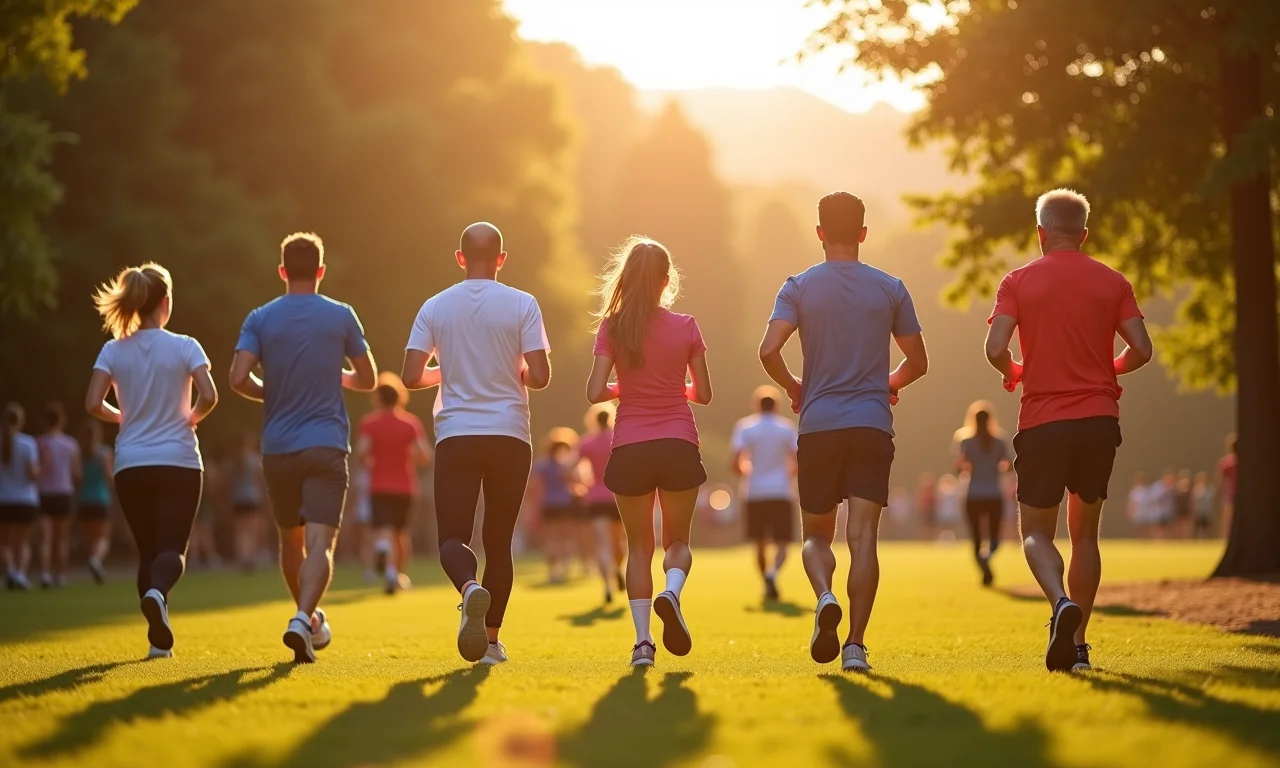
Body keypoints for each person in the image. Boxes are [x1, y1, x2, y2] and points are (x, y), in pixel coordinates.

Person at [758, 192, 928, 673]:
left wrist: (795, 386)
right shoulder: (891, 287)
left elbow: (768, 350)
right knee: (863, 538)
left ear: (818, 234)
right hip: (872, 424)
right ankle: (855, 645)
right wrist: (887, 383)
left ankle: (825, 594)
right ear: (863, 233)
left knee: (815, 535)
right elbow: (918, 362)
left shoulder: (798, 287)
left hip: (819, 426)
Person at [984, 188, 1152, 673]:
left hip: (1042, 420)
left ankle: (1059, 602)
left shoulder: (1017, 281)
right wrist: (1107, 370)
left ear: (1040, 232)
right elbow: (1141, 348)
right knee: (1086, 535)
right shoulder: (1112, 281)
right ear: (1083, 234)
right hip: (1099, 419)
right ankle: (1079, 648)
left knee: (1036, 531)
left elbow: (995, 347)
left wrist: (1016, 370)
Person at [402, 222, 551, 666]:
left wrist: (446, 371)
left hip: (457, 435)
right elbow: (540, 377)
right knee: (499, 540)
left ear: (460, 257)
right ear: (501, 259)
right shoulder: (523, 303)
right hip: (509, 434)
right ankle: (490, 643)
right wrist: (512, 371)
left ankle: (469, 589)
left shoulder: (435, 307)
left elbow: (411, 376)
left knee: (452, 537)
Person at [230, 232, 376, 663]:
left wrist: (271, 391)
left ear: (281, 271)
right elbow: (367, 379)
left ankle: (307, 620)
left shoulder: (260, 317)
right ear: (321, 271)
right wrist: (339, 378)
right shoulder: (341, 315)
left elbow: (238, 379)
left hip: (277, 448)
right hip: (327, 444)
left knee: (289, 543)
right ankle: (302, 618)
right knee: (321, 545)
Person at [586, 236, 713, 669]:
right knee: (677, 542)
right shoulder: (687, 326)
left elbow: (594, 392)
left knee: (639, 548)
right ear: (665, 281)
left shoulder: (613, 327)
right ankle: (671, 593)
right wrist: (674, 386)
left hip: (631, 446)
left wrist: (626, 388)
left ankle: (642, 645)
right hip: (678, 442)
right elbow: (705, 394)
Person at [85, 263, 218, 659]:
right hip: (178, 459)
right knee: (172, 550)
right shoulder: (185, 345)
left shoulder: (113, 350)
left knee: (148, 551)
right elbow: (209, 396)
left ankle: (157, 643)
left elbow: (93, 403)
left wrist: (121, 416)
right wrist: (191, 418)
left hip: (131, 464)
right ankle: (158, 595)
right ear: (166, 302)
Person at [357, 373, 431, 596]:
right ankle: (396, 573)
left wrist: (369, 460)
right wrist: (408, 454)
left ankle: (385, 558)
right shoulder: (410, 423)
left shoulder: (370, 423)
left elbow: (361, 451)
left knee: (384, 530)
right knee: (401, 534)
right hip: (406, 487)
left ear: (378, 398)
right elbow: (425, 455)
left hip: (379, 485)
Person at [730, 385, 799, 601]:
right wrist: (787, 474)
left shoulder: (746, 427)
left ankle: (766, 580)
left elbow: (736, 462)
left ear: (756, 406)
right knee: (782, 543)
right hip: (780, 491)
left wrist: (747, 470)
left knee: (759, 543)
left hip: (755, 492)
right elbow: (796, 461)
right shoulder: (786, 428)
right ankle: (773, 573)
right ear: (777, 406)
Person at [954, 402, 1011, 586]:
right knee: (995, 538)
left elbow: (958, 468)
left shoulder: (965, 441)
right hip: (994, 493)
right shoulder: (999, 441)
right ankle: (987, 559)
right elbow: (1009, 466)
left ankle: (984, 568)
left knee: (976, 538)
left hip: (973, 494)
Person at [579, 405, 626, 603]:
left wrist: (581, 485)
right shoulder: (620, 438)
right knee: (619, 541)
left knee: (603, 543)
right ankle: (617, 569)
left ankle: (607, 585)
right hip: (620, 494)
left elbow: (573, 469)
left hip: (597, 497)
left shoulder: (586, 443)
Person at [528, 429, 583, 585]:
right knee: (566, 537)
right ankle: (565, 566)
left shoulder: (542, 466)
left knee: (551, 539)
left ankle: (553, 571)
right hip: (564, 504)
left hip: (548, 505)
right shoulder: (564, 466)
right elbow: (574, 481)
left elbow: (533, 486)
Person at [36, 403, 81, 588]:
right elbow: (77, 473)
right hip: (64, 493)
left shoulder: (39, 442)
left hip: (44, 493)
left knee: (45, 538)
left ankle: (45, 573)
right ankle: (60, 575)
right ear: (62, 421)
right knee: (61, 538)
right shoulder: (70, 444)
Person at [1, 403, 39, 590]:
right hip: (25, 500)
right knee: (22, 542)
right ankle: (21, 575)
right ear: (20, 420)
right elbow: (32, 474)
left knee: (4, 542)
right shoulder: (28, 443)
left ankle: (11, 572)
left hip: (3, 500)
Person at [77, 420, 115, 583]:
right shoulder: (104, 453)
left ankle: (94, 562)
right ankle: (95, 560)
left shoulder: (80, 453)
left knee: (90, 537)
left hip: (84, 499)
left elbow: (77, 477)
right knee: (103, 538)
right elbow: (109, 476)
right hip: (101, 499)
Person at [228, 432, 265, 572]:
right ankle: (249, 557)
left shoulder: (233, 461)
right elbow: (261, 480)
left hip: (237, 499)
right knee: (251, 530)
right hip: (252, 498)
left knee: (239, 530)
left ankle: (241, 557)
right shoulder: (254, 460)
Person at [1217, 434, 1237, 535]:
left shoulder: (1226, 462)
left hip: (1230, 493)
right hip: (1241, 493)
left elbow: (1221, 481)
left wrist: (1221, 493)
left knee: (1228, 517)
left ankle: (1226, 535)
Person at [1191, 471, 1216, 539]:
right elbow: (1194, 500)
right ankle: (1200, 541)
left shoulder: (1209, 488)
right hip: (1199, 512)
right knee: (1199, 528)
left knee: (1207, 527)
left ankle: (1208, 540)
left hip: (1207, 512)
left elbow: (1211, 497)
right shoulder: (1196, 489)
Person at [915, 472, 937, 540]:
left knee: (931, 526)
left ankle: (931, 538)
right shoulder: (924, 493)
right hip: (925, 511)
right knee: (925, 525)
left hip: (931, 510)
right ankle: (926, 538)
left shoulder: (932, 492)